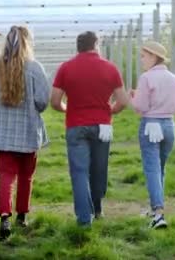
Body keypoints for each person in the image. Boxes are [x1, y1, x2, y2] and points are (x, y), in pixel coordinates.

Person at [51, 31, 130, 227]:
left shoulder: (66, 68)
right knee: (99, 168)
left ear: (78, 46)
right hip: (102, 125)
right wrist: (108, 111)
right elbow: (123, 101)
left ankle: (84, 220)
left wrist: (65, 108)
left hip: (76, 125)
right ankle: (98, 208)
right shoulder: (110, 68)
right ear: (96, 45)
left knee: (79, 172)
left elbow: (54, 101)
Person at [0, 26, 51, 241]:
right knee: (26, 176)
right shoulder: (34, 68)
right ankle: (22, 216)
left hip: (2, 133)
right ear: (27, 43)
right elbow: (42, 101)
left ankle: (4, 217)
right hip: (28, 131)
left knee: (5, 176)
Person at [130, 41, 175, 229]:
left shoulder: (146, 78)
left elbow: (141, 106)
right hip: (169, 125)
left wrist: (134, 98)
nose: (142, 60)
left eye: (143, 56)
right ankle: (154, 209)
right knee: (160, 168)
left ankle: (158, 215)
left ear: (153, 57)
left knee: (151, 169)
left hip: (151, 125)